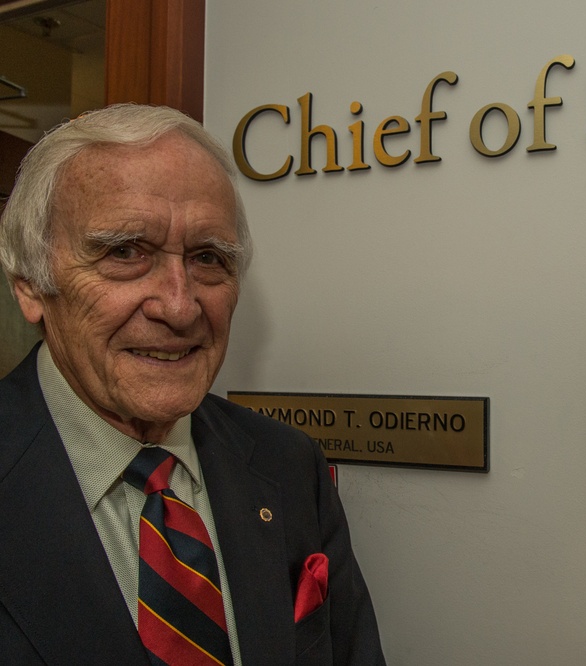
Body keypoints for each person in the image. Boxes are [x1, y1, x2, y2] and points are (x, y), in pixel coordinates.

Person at [0, 104, 386, 665]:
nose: (180, 307)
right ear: (32, 286)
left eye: (209, 257)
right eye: (126, 251)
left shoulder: (287, 466)